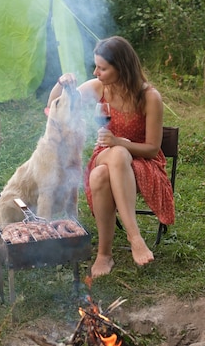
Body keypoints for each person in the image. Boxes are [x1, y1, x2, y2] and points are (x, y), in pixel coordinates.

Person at [47, 36, 174, 278]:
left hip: (142, 163)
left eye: (102, 68)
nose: (96, 72)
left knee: (100, 175)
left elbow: (152, 148)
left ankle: (105, 253)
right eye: (96, 67)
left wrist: (120, 143)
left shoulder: (150, 97)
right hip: (105, 153)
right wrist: (62, 85)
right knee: (113, 156)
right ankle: (133, 237)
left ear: (122, 68)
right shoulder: (98, 87)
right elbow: (55, 105)